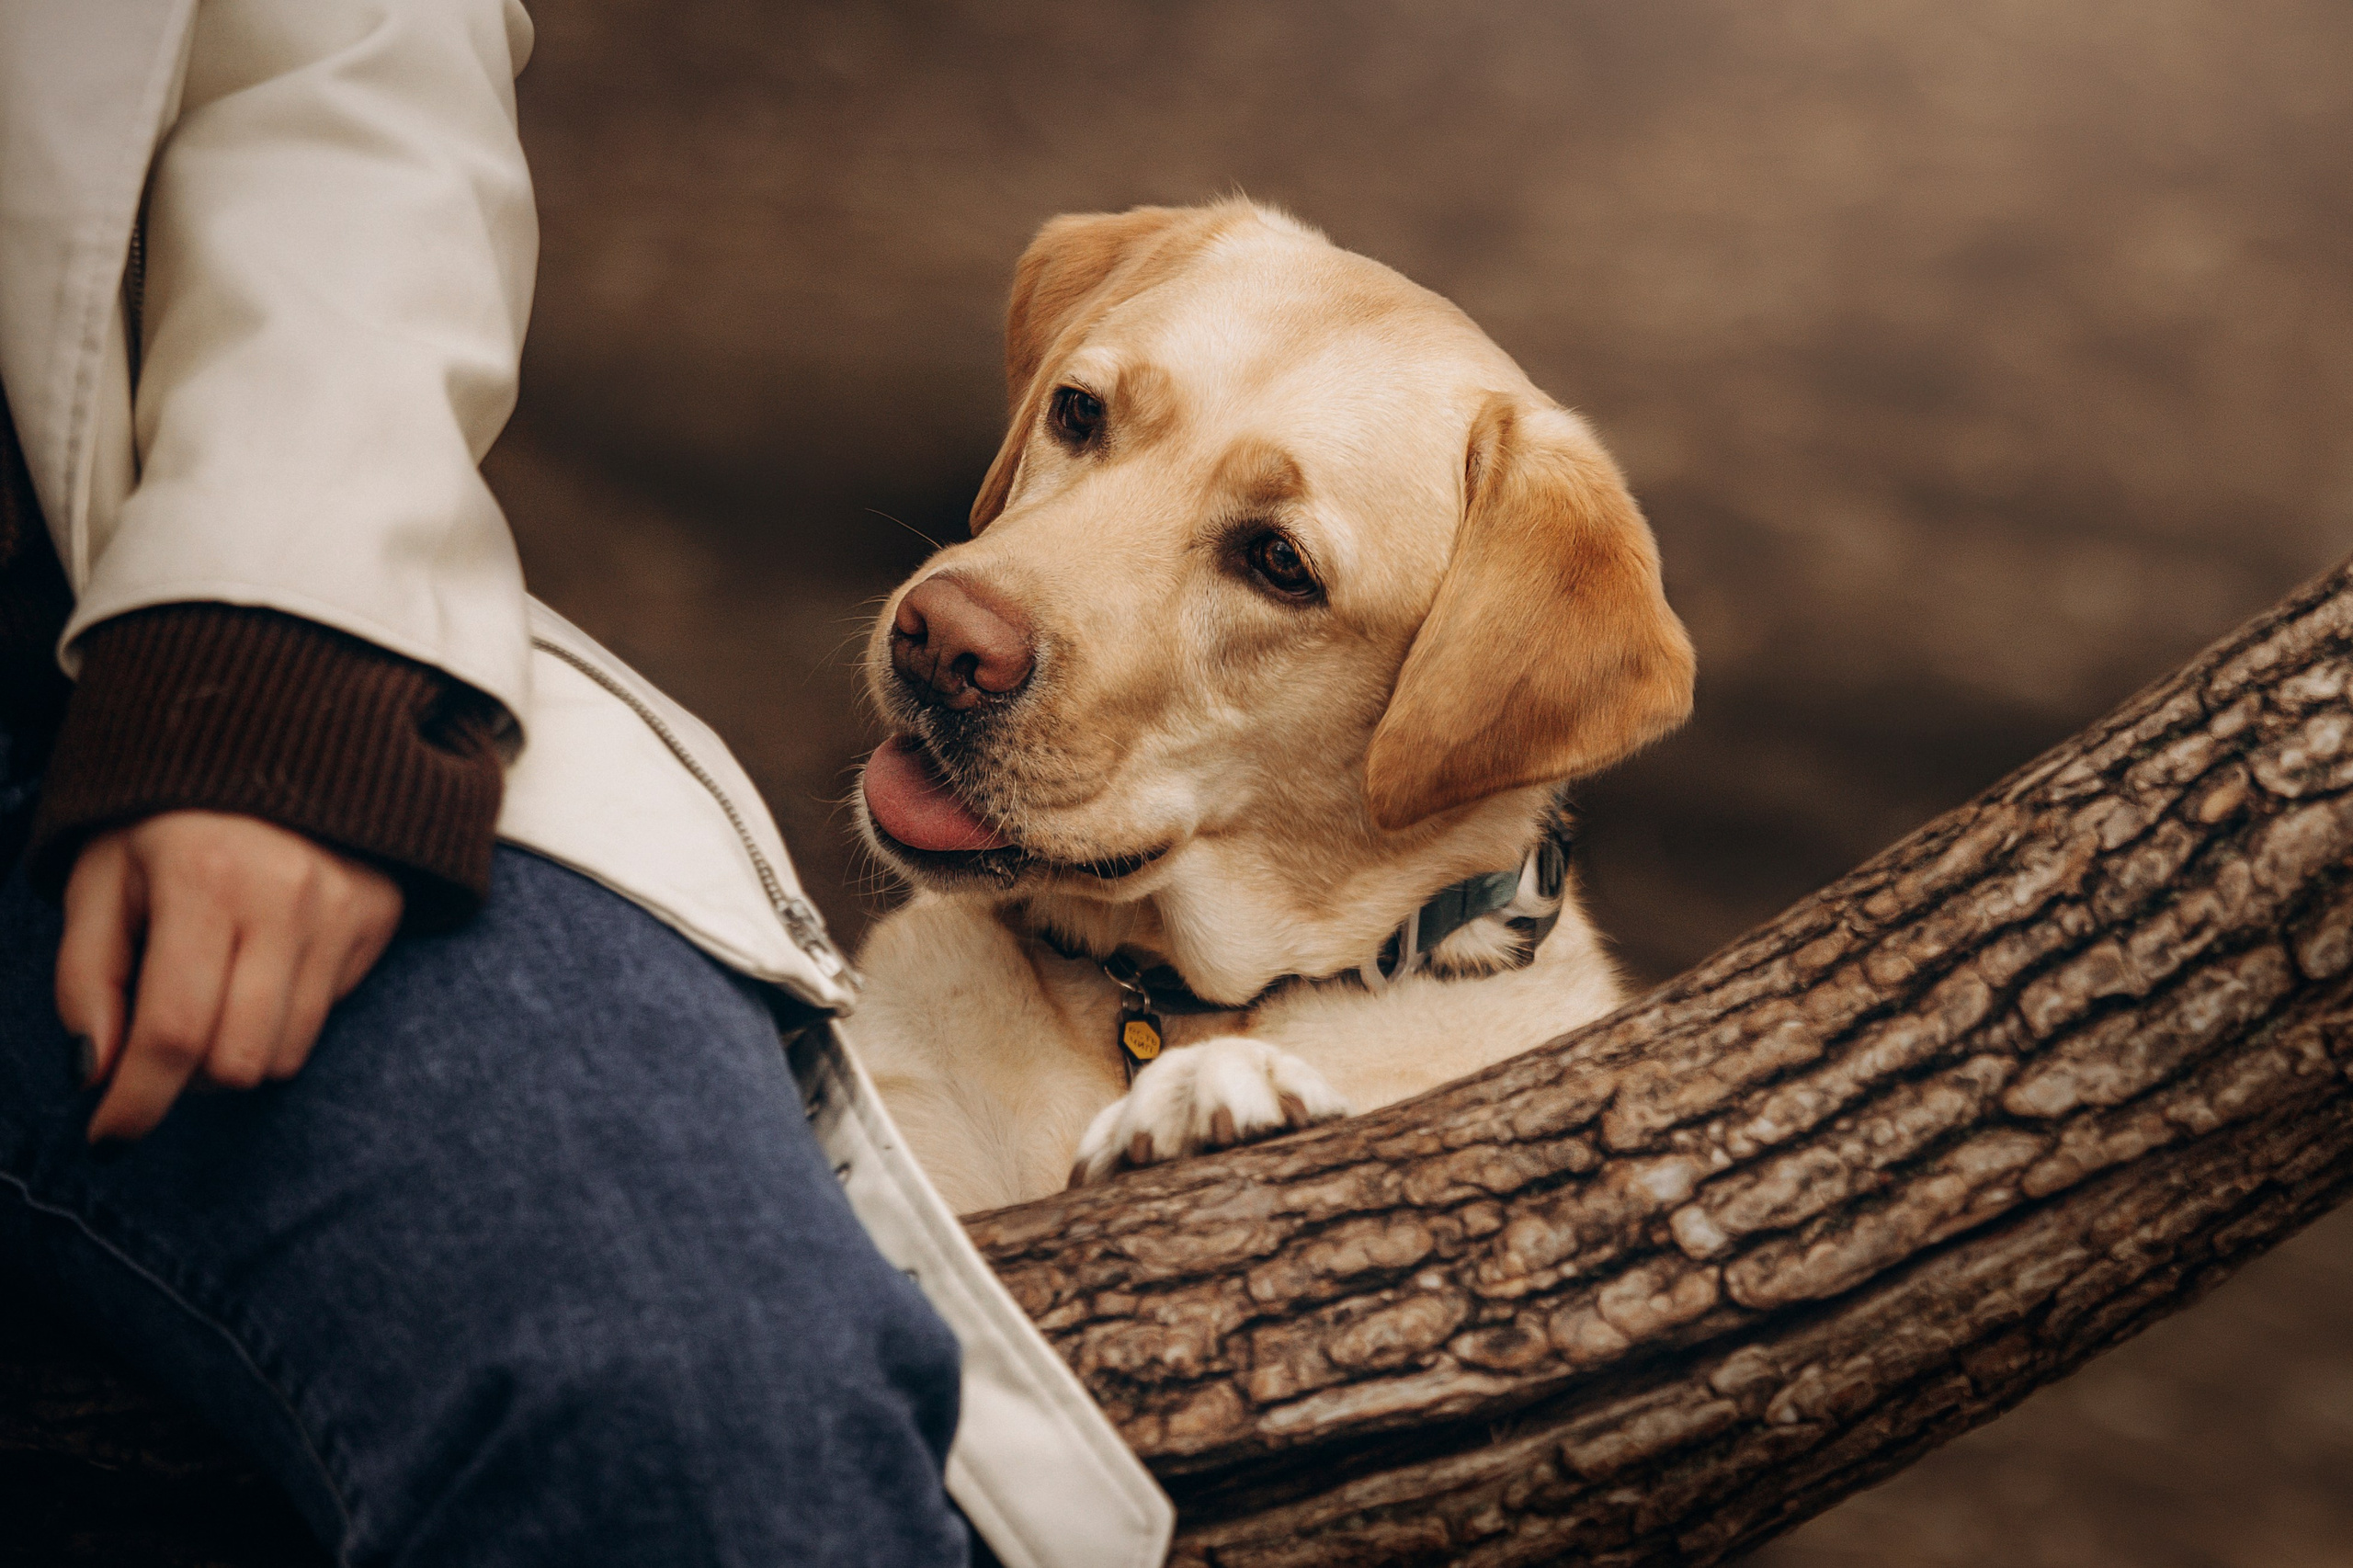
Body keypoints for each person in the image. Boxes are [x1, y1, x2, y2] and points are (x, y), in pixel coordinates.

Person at [0, 3, 1168, 1564]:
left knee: (690, 1382)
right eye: (1076, 423)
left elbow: (345, 47)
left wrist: (270, 615)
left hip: (85, 695)